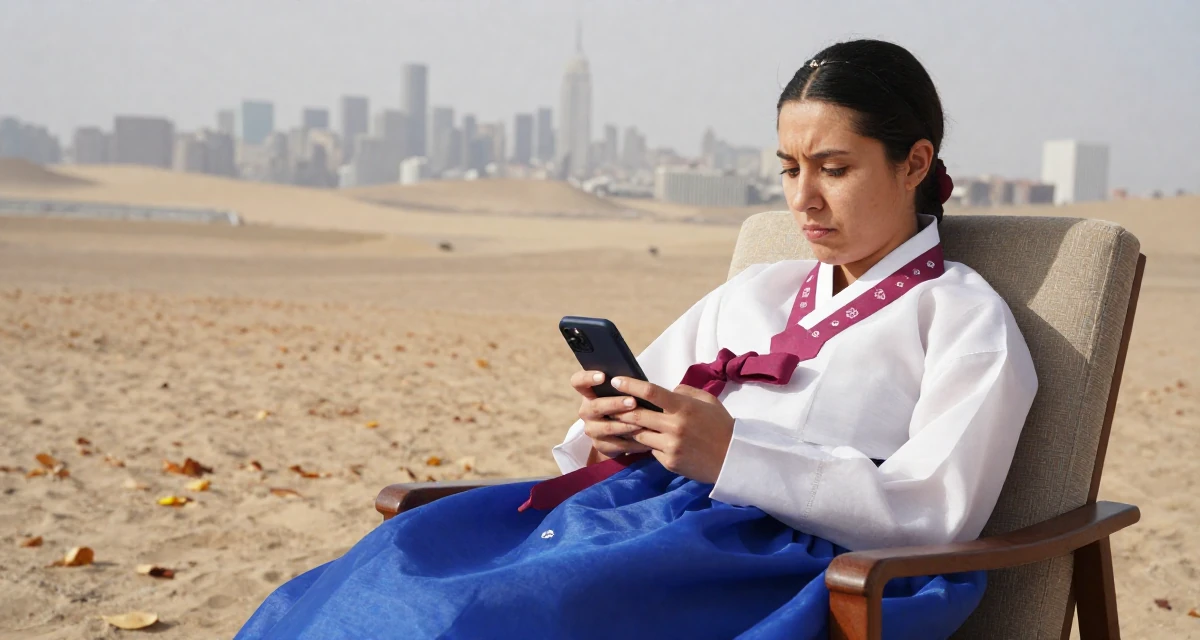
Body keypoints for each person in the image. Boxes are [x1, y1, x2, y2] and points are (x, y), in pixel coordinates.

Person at [235, 39, 1037, 640]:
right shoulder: (756, 290)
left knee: (471, 613)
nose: (804, 199)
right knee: (395, 567)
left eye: (833, 167)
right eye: (789, 169)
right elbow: (631, 421)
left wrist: (731, 455)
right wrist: (613, 428)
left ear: (914, 162)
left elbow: (936, 514)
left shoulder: (963, 319)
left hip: (787, 565)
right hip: (644, 521)